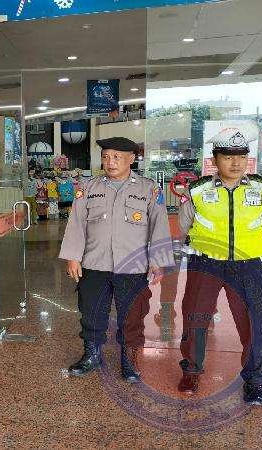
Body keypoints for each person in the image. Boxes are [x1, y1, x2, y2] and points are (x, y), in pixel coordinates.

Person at [176, 128, 262, 405]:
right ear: (215, 160)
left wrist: (252, 249)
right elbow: (185, 224)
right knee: (196, 317)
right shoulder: (198, 190)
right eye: (228, 157)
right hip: (206, 263)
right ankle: (191, 371)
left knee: (252, 321)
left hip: (247, 265)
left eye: (241, 157)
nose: (236, 163)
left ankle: (254, 380)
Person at [59, 137, 172, 383]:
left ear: (131, 159)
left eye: (116, 157)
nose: (110, 162)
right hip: (94, 263)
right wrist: (73, 257)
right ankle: (92, 354)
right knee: (91, 311)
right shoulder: (88, 187)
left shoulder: (148, 189)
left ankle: (129, 359)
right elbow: (76, 223)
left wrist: (158, 260)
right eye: (106, 157)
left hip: (133, 266)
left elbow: (159, 226)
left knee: (132, 315)